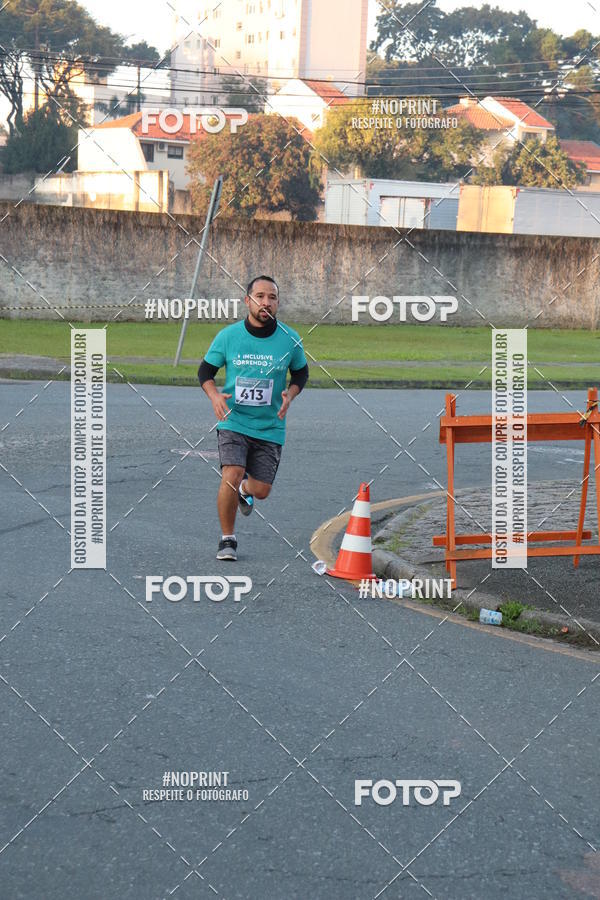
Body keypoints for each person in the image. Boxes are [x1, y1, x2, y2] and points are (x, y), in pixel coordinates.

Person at [198, 275, 309, 560]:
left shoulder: (289, 338)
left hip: (270, 425)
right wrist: (214, 396)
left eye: (272, 297)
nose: (266, 302)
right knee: (231, 474)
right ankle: (227, 539)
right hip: (234, 419)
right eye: (260, 296)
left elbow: (301, 373)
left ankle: (247, 489)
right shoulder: (229, 336)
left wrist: (291, 394)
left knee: (261, 490)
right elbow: (205, 373)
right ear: (247, 301)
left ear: (277, 303)